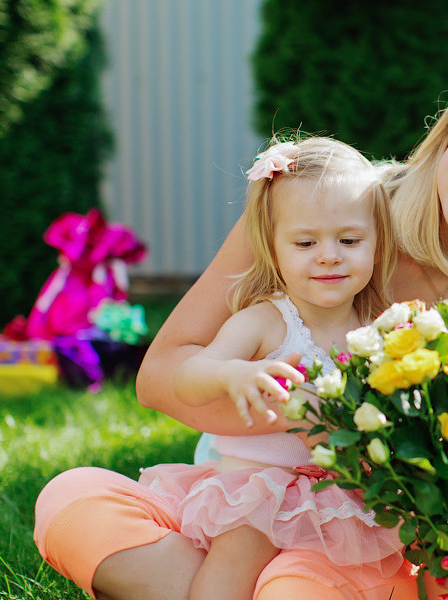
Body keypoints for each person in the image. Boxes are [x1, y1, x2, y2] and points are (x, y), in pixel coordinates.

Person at [34, 54, 448, 600]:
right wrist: (310, 416)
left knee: (304, 584)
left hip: (367, 537)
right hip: (236, 510)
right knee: (70, 502)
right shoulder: (320, 206)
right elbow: (158, 379)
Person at [133, 137, 403, 600]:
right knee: (236, 561)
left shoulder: (377, 331)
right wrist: (230, 375)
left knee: (327, 574)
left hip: (339, 494)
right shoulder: (265, 322)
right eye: (305, 242)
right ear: (272, 249)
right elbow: (188, 378)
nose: (329, 255)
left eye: (349, 240)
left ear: (377, 245)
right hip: (259, 488)